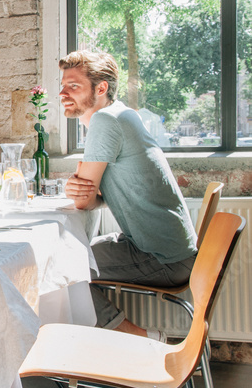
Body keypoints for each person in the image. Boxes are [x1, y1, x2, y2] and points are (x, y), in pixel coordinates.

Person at [59, 50, 197, 340]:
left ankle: (137, 340)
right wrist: (85, 193)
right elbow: (95, 199)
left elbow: (83, 200)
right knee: (66, 259)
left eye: (73, 85)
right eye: (63, 85)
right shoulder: (122, 114)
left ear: (101, 88)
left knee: (58, 267)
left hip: (160, 257)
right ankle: (103, 349)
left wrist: (81, 192)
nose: (62, 92)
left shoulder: (105, 121)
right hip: (170, 249)